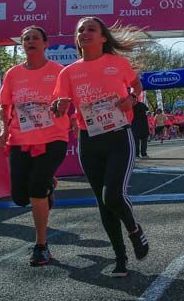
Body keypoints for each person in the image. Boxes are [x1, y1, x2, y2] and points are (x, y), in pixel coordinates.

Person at [52, 17, 149, 278]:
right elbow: (60, 103)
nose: (85, 33)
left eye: (91, 29)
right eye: (80, 30)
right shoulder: (68, 72)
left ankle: (134, 230)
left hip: (118, 136)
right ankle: (120, 258)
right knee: (102, 203)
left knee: (113, 196)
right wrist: (59, 107)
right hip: (89, 139)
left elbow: (137, 85)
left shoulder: (117, 64)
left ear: (103, 37)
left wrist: (131, 100)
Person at [0, 26, 71, 267]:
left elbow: (68, 100)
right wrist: (3, 128)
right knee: (20, 197)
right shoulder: (13, 74)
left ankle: (41, 246)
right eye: (26, 39)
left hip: (53, 137)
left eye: (35, 38)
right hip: (21, 139)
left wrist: (61, 106)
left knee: (36, 190)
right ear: (22, 45)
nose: (30, 41)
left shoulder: (58, 72)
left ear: (45, 43)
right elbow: (3, 107)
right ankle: (48, 184)